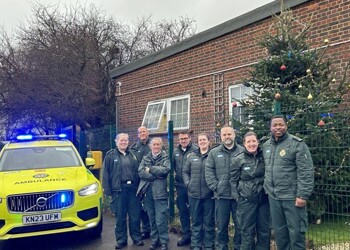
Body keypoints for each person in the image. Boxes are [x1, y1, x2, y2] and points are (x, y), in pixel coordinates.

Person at [263, 115, 314, 250]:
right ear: (270, 127)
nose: (278, 128)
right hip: (274, 198)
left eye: (281, 124)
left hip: (292, 198)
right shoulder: (266, 146)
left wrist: (302, 195)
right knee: (280, 235)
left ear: (286, 126)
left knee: (296, 235)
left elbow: (306, 171)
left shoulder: (297, 144)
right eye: (275, 125)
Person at [102, 133, 144, 249]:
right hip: (119, 190)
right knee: (120, 216)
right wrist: (108, 191)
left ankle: (136, 237)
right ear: (116, 142)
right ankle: (121, 240)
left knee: (135, 215)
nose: (124, 142)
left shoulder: (134, 155)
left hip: (133, 189)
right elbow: (105, 174)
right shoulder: (110, 155)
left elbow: (140, 171)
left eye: (125, 140)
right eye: (121, 140)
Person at [205, 125, 244, 250]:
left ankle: (238, 246)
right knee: (222, 225)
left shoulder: (243, 151)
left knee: (240, 225)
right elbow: (209, 171)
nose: (227, 137)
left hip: (239, 196)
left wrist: (242, 189)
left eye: (229, 134)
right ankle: (222, 247)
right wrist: (216, 187)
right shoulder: (214, 153)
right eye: (224, 134)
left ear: (234, 135)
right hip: (221, 196)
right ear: (221, 137)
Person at [230, 131, 270, 250]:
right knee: (247, 232)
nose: (251, 144)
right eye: (248, 142)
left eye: (254, 141)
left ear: (257, 142)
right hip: (246, 202)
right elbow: (232, 181)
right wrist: (238, 197)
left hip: (263, 200)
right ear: (244, 144)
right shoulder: (238, 159)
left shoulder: (264, 156)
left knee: (264, 231)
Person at [183, 133, 215, 250]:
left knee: (209, 222)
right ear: (197, 142)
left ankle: (208, 245)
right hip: (194, 194)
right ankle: (196, 244)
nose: (202, 142)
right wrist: (188, 184)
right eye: (200, 140)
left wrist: (213, 188)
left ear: (208, 141)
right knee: (196, 221)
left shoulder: (213, 155)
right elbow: (185, 172)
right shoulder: (192, 156)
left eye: (204, 140)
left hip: (209, 195)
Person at [137, 137, 170, 250]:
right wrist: (155, 175)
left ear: (161, 146)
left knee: (160, 218)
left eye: (158, 145)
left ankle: (164, 241)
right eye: (154, 145)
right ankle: (155, 240)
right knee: (152, 218)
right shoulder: (146, 158)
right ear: (150, 146)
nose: (156, 146)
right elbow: (140, 172)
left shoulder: (165, 157)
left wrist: (150, 169)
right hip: (148, 191)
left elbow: (165, 170)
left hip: (160, 191)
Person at [173, 130, 198, 246]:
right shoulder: (175, 152)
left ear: (190, 139)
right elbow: (172, 168)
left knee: (195, 212)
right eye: (181, 139)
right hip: (180, 187)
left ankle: (197, 237)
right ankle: (186, 235)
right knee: (183, 211)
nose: (183, 141)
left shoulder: (196, 150)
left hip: (193, 187)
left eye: (185, 138)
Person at [131, 126, 151, 240]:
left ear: (148, 133)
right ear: (138, 135)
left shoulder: (154, 144)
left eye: (144, 131)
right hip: (139, 182)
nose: (142, 133)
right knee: (141, 206)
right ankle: (146, 229)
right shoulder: (134, 148)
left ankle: (155, 230)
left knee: (151, 206)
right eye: (140, 132)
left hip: (152, 180)